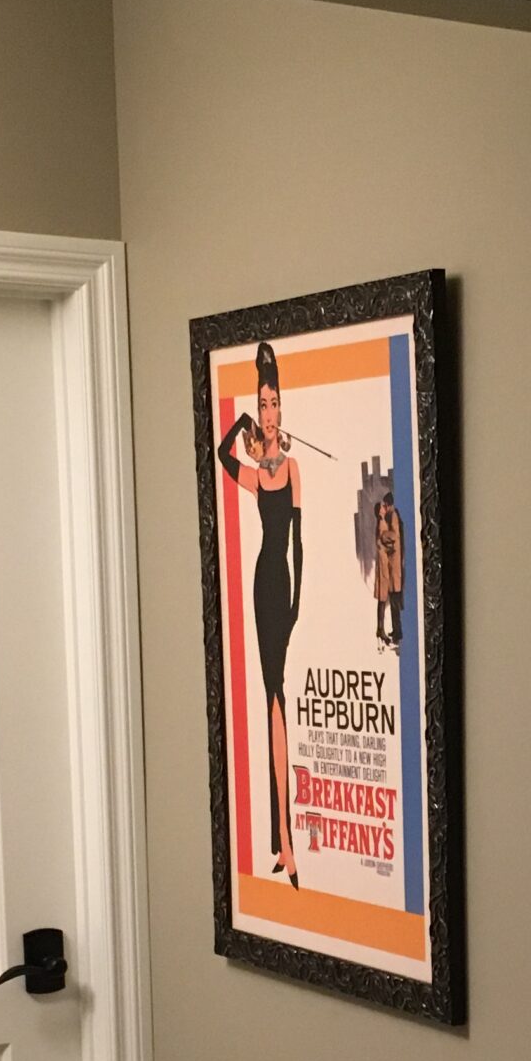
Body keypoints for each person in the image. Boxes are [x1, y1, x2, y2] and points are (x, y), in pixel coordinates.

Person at [217, 342, 304, 887]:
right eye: (262, 405)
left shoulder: (290, 468)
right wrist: (241, 424)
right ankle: (283, 843)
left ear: (282, 409)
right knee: (273, 698)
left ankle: (284, 841)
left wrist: (296, 605)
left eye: (273, 404)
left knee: (278, 697)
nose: (268, 414)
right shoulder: (254, 472)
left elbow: (300, 544)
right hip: (259, 585)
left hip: (282, 586)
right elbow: (221, 453)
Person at [372, 491, 404, 650]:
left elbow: (393, 537)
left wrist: (384, 538)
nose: (383, 507)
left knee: (394, 601)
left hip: (392, 568)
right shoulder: (383, 520)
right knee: (388, 599)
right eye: (381, 507)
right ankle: (389, 631)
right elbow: (382, 541)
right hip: (386, 568)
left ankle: (397, 632)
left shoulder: (393, 517)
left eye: (385, 505)